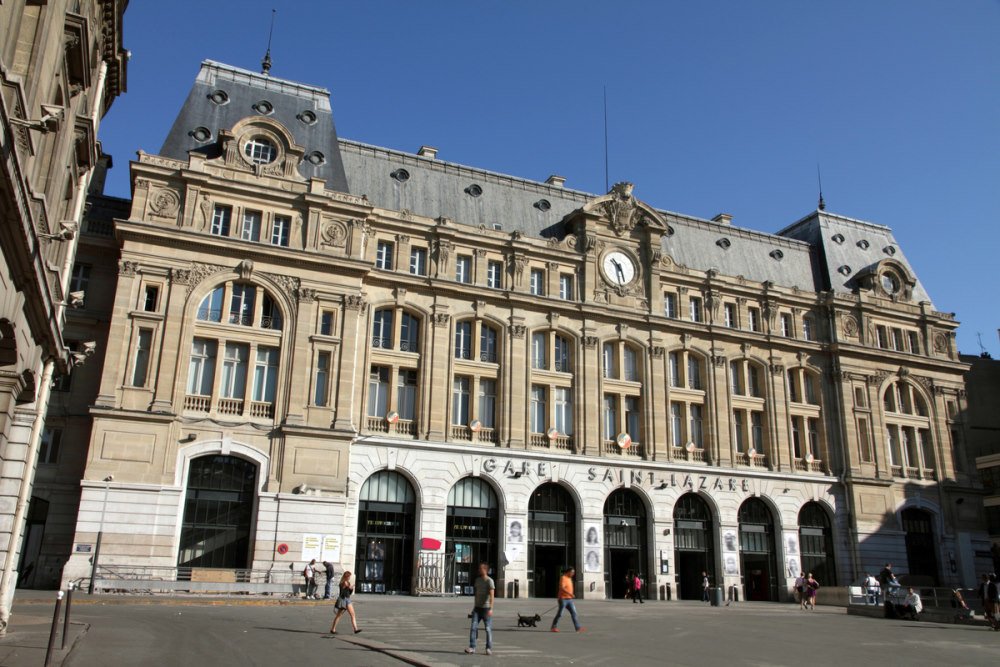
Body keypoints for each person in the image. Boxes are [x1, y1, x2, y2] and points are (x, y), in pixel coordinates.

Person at [465, 562, 494, 655]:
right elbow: (476, 595)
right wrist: (474, 608)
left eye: (481, 568)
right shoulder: (477, 580)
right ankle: (472, 647)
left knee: (488, 629)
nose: (479, 570)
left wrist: (491, 608)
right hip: (477, 609)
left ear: (485, 570)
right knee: (473, 628)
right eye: (479, 568)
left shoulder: (490, 581)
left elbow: (492, 596)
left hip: (486, 609)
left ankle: (488, 648)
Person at [551, 567, 584, 632]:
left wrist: (570, 595)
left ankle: (578, 628)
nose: (573, 573)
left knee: (574, 613)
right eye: (572, 572)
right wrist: (570, 594)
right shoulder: (563, 578)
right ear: (568, 572)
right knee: (560, 614)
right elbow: (562, 588)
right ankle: (553, 627)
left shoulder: (569, 578)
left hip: (569, 600)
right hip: (563, 599)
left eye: (574, 572)